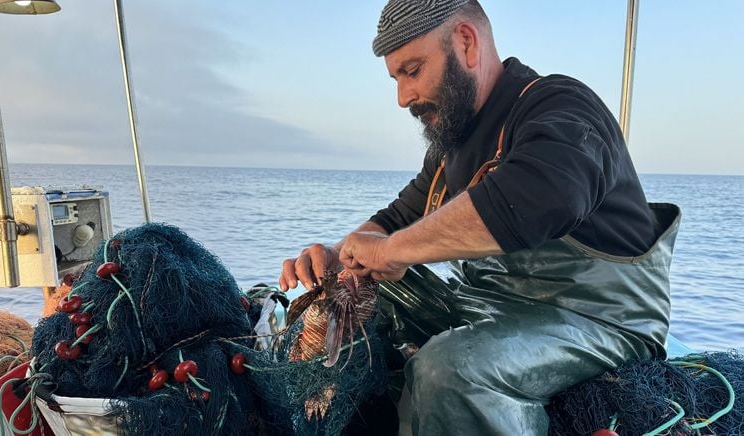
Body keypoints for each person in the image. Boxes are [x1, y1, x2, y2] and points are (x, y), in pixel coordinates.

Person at [279, 0, 681, 434]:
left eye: (412, 71)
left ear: (467, 43)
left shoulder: (561, 106)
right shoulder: (452, 145)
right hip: (490, 305)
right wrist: (339, 256)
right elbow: (396, 219)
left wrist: (393, 252)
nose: (402, 98)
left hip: (602, 320)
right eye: (395, 79)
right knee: (344, 302)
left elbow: (543, 196)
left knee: (450, 370)